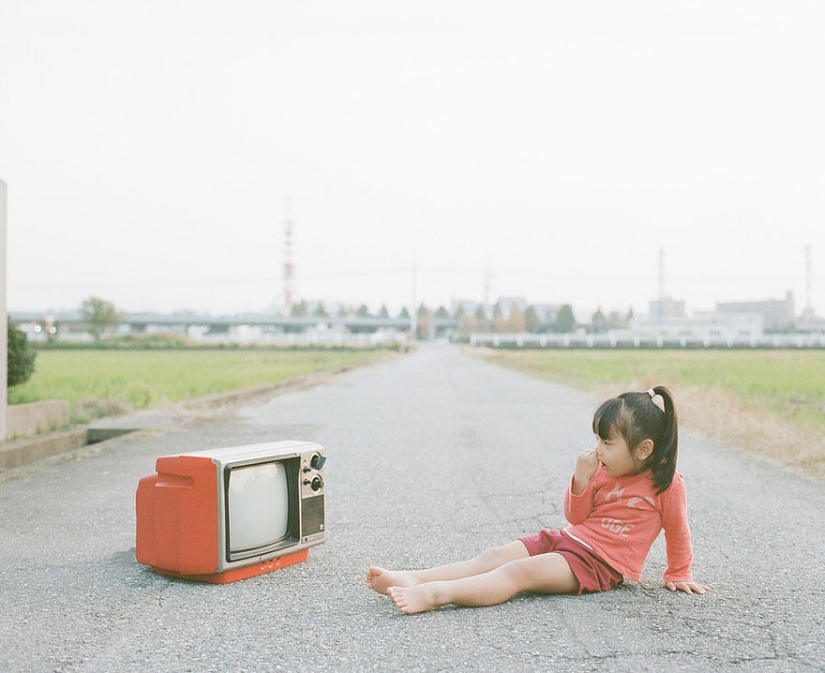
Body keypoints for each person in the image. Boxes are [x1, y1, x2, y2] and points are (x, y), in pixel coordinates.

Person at [366, 385, 708, 614]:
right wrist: (581, 480)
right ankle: (417, 577)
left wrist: (678, 572)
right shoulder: (603, 470)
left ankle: (437, 595)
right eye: (598, 440)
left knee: (518, 572)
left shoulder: (665, 485)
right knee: (495, 555)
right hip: (567, 539)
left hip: (597, 564)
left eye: (608, 442)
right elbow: (577, 518)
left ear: (644, 449)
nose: (598, 449)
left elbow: (678, 531)